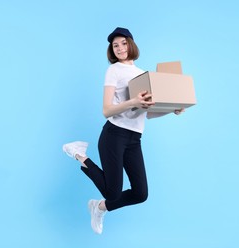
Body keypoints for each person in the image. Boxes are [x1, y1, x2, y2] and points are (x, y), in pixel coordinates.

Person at [63, 27, 185, 234]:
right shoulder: (114, 70)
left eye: (123, 43)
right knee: (113, 192)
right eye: (115, 45)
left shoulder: (142, 74)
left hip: (134, 139)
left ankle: (99, 207)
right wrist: (132, 101)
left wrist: (171, 110)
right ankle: (79, 154)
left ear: (131, 44)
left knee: (140, 193)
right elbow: (106, 110)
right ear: (112, 49)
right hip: (114, 135)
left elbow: (148, 113)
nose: (119, 48)